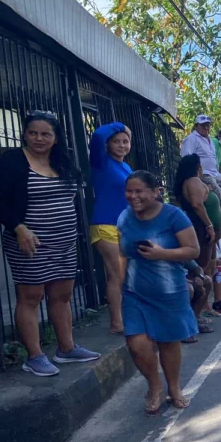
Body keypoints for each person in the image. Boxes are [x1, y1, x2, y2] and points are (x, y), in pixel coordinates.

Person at [0, 111, 100, 377]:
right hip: (29, 242)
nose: (39, 138)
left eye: (46, 134)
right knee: (31, 297)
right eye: (33, 133)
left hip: (64, 242)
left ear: (56, 137)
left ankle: (67, 348)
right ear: (24, 134)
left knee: (62, 296)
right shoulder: (12, 162)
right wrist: (18, 227)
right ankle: (35, 356)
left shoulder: (63, 162)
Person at [118, 171, 200, 414]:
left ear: (156, 192)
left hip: (169, 292)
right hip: (134, 293)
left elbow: (193, 250)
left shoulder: (174, 216)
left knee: (168, 342)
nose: (133, 196)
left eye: (139, 191)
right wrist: (118, 283)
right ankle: (154, 386)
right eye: (129, 191)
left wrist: (162, 254)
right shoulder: (124, 217)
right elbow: (122, 253)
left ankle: (173, 387)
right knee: (136, 344)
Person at [89, 122, 133, 335]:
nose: (122, 145)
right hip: (105, 224)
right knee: (118, 274)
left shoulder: (125, 166)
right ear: (108, 145)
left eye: (125, 141)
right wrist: (121, 126)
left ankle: (122, 319)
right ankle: (117, 322)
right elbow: (98, 135)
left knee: (121, 275)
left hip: (123, 226)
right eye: (116, 141)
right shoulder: (101, 162)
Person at [180, 115, 221, 205]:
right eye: (203, 125)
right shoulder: (191, 139)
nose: (206, 127)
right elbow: (186, 159)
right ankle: (216, 215)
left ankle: (218, 212)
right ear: (196, 126)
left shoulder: (209, 140)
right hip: (204, 174)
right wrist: (195, 177)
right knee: (220, 195)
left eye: (208, 125)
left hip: (214, 173)